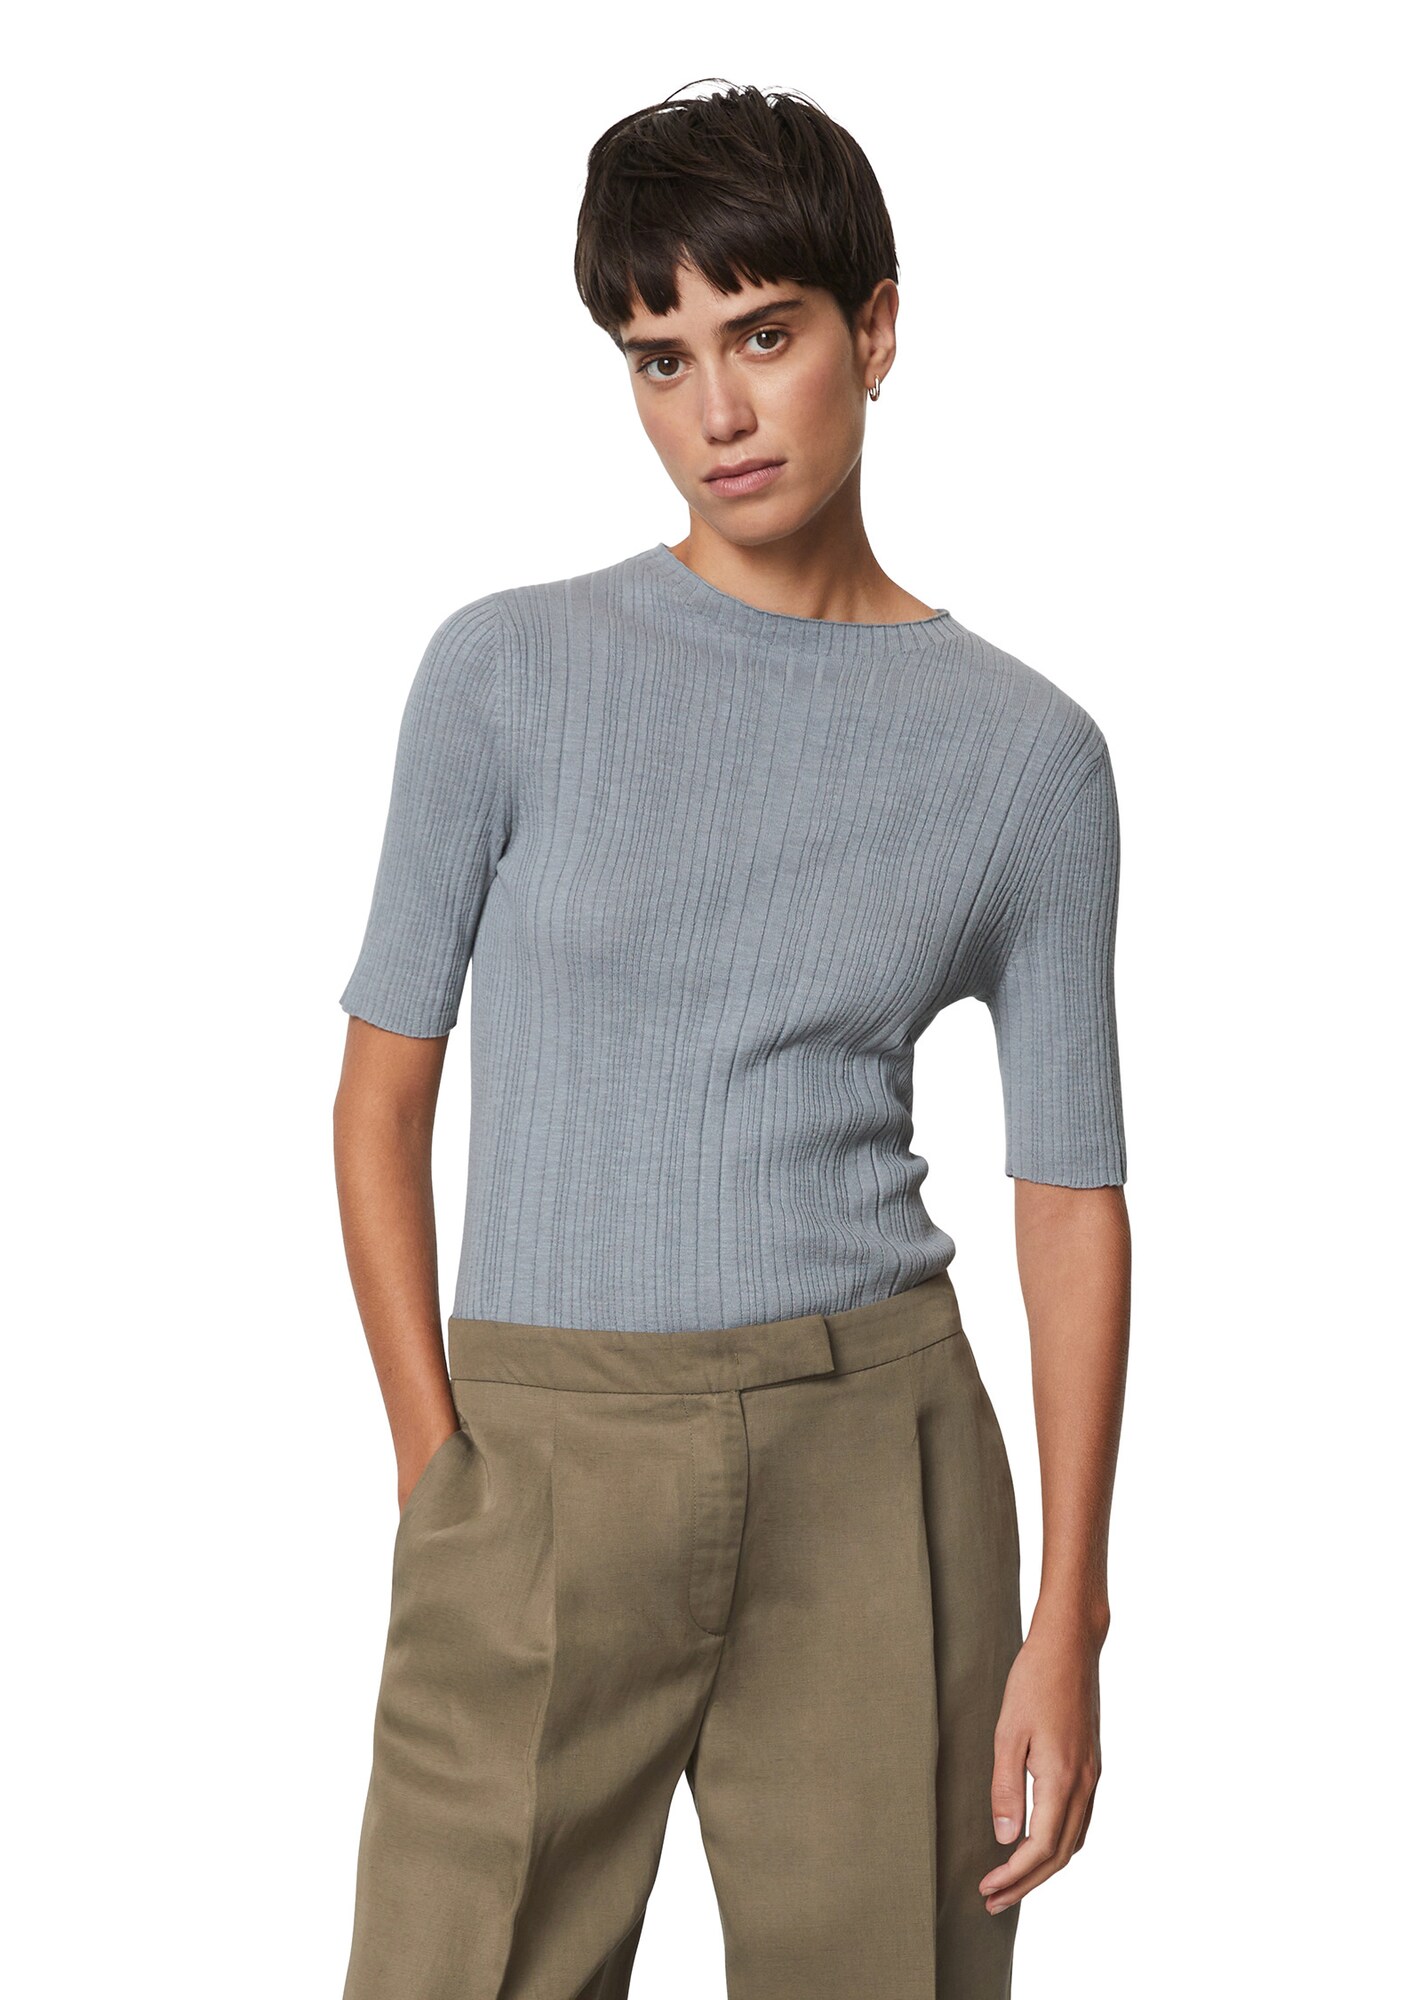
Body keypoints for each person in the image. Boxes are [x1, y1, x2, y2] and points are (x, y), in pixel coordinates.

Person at [333, 80, 1130, 2000]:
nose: (715, 411)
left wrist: (1068, 1617)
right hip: (541, 1453)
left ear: (874, 329)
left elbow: (1069, 1196)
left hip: (876, 1457)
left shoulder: (1026, 758)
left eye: (762, 335)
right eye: (659, 356)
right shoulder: (505, 673)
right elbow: (377, 1102)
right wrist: (442, 1478)